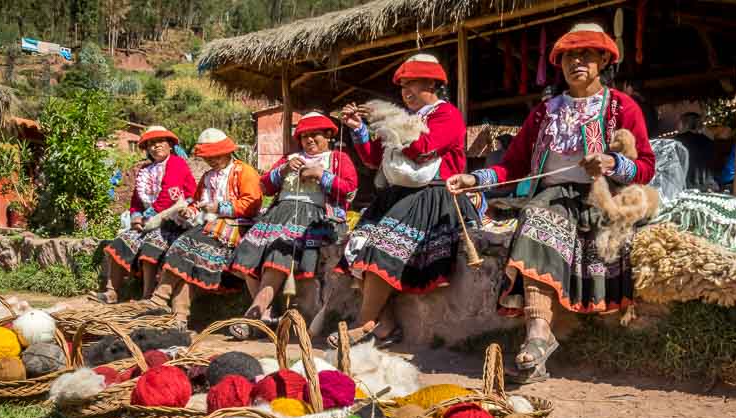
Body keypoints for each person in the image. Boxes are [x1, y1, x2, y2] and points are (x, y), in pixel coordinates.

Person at [447, 23, 656, 383]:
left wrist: (611, 163)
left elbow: (646, 167)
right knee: (536, 220)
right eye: (570, 56)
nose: (577, 62)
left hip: (602, 200)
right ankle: (538, 339)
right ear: (559, 64)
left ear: (603, 60)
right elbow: (512, 165)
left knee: (539, 216)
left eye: (587, 55)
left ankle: (541, 341)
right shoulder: (545, 112)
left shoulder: (622, 108)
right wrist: (474, 179)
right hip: (551, 199)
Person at [333, 53, 478, 347]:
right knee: (360, 244)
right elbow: (374, 159)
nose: (406, 92)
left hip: (434, 195)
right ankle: (384, 325)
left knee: (382, 244)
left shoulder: (446, 115)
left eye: (413, 84)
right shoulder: (408, 118)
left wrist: (390, 120)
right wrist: (359, 128)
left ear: (433, 84)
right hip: (399, 195)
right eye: (403, 86)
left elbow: (424, 148)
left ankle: (363, 323)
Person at [229, 112, 358, 339]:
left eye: (315, 135)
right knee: (249, 252)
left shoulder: (337, 158)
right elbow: (265, 187)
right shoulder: (290, 158)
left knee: (279, 253)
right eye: (304, 136)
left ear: (328, 135)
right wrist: (284, 170)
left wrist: (320, 174)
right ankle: (266, 313)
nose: (309, 140)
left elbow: (349, 189)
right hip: (278, 214)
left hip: (314, 217)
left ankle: (253, 315)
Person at [147, 129, 263, 330]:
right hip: (208, 227)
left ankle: (160, 299)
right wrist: (190, 213)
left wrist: (220, 208)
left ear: (227, 152)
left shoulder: (245, 172)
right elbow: (198, 202)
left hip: (234, 228)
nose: (213, 161)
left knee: (186, 245)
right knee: (185, 258)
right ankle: (179, 316)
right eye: (209, 158)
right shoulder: (208, 177)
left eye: (216, 156)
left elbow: (252, 203)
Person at [97, 126, 197, 304]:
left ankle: (147, 296)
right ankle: (111, 292)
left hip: (175, 219)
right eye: (151, 144)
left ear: (170, 145)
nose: (155, 146)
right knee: (121, 242)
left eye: (160, 142)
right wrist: (135, 216)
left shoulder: (176, 163)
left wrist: (146, 217)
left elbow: (168, 197)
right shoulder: (145, 170)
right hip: (149, 220)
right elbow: (136, 201)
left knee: (151, 245)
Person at [674, 112, 717, 191]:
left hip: (686, 186)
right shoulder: (708, 141)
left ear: (685, 124)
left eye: (679, 122)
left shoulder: (677, 141)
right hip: (707, 186)